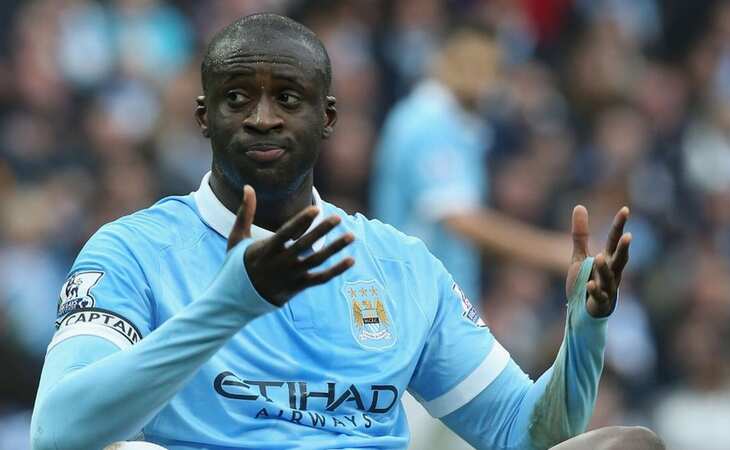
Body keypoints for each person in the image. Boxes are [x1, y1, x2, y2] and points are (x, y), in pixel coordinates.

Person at [30, 13, 660, 450]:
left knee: (629, 444)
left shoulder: (401, 266)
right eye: (237, 98)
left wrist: (584, 331)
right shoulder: (133, 251)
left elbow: (527, 436)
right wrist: (227, 307)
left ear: (327, 117)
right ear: (203, 117)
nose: (263, 119)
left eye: (288, 99)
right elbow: (58, 432)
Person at [371, 24, 572, 305]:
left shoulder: (459, 125)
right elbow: (460, 219)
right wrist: (552, 251)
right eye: (468, 61)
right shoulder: (427, 123)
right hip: (415, 299)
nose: (479, 75)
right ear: (441, 59)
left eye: (489, 66)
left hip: (442, 299)